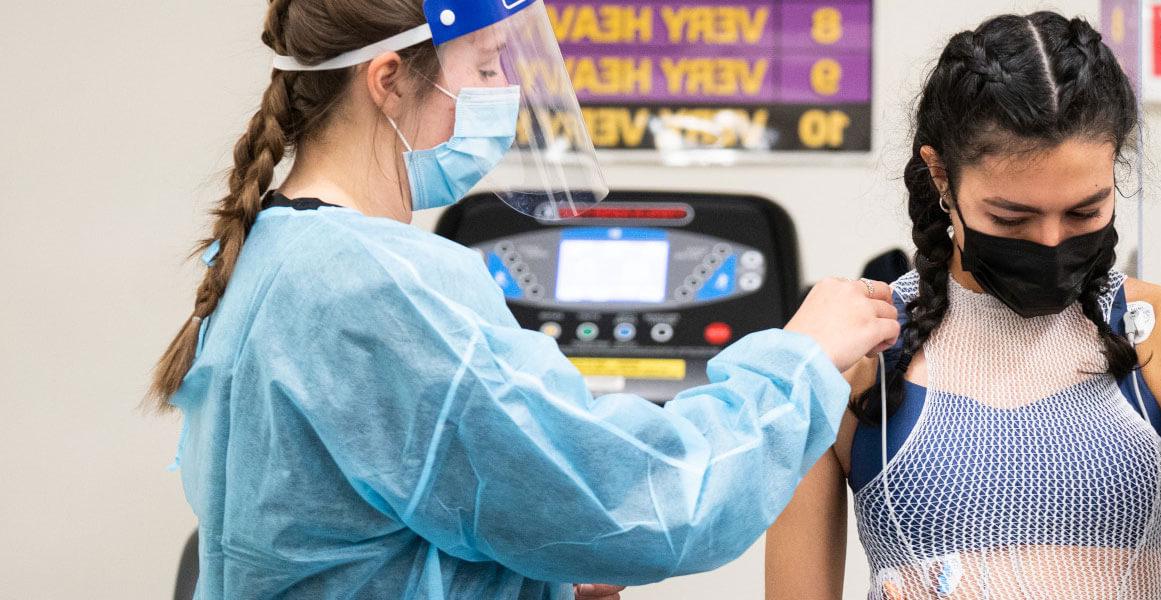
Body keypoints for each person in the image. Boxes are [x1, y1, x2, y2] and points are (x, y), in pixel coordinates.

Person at [150, 1, 898, 598]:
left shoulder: (267, 247)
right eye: (484, 66)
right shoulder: (379, 289)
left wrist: (539, 574)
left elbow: (373, 521)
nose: (502, 91)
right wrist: (800, 361)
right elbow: (649, 504)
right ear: (387, 81)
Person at [763, 12, 1161, 600]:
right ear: (940, 177)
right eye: (1012, 217)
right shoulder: (853, 355)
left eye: (1084, 212)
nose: (1052, 242)